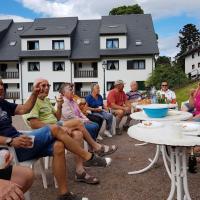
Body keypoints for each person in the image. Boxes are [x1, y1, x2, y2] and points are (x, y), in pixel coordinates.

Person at [0, 79, 112, 200]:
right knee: (57, 128)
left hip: (23, 140)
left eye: (2, 84)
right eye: (43, 85)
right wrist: (9, 141)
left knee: (58, 145)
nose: (1, 87)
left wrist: (39, 96)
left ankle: (64, 194)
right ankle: (89, 157)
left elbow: (23, 109)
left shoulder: (3, 103)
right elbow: (34, 122)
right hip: (10, 149)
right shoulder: (36, 103)